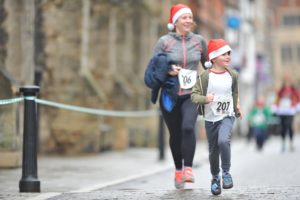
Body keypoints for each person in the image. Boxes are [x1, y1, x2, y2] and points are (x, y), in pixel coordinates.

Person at [144, 4, 207, 189]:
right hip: (170, 95)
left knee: (188, 127)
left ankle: (188, 168)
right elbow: (155, 66)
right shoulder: (164, 42)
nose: (188, 20)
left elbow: (208, 64)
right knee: (176, 134)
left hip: (192, 93)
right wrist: (170, 70)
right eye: (184, 17)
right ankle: (178, 170)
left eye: (190, 17)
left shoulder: (199, 41)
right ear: (175, 21)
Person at [191, 39, 242, 195]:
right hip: (210, 119)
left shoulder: (233, 75)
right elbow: (194, 96)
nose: (228, 57)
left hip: (227, 116)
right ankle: (215, 178)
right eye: (223, 54)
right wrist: (205, 99)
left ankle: (226, 173)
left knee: (223, 141)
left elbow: (234, 92)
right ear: (213, 58)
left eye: (229, 54)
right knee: (213, 150)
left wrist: (237, 106)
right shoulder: (205, 77)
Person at [272, 75, 300, 152]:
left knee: (290, 126)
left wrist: (298, 108)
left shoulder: (293, 90)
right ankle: (283, 143)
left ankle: (291, 143)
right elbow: (276, 100)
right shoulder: (281, 91)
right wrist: (275, 109)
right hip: (282, 111)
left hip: (290, 111)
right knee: (283, 128)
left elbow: (298, 98)